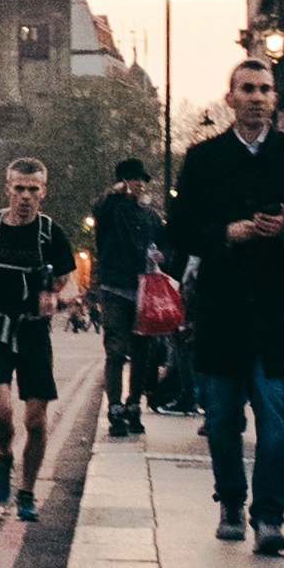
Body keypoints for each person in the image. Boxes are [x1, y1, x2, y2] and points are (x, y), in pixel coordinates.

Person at [163, 55, 284, 555]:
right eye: (248, 89)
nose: (258, 97)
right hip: (222, 310)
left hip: (278, 311)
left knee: (277, 424)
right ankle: (232, 503)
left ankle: (270, 517)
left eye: (265, 89)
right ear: (230, 98)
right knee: (220, 419)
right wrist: (227, 234)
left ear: (275, 99)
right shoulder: (203, 159)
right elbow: (179, 230)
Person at [0, 158, 73, 518]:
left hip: (32, 330)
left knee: (36, 421)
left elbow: (71, 282)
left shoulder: (50, 233)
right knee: (1, 413)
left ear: (44, 192)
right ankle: (5, 455)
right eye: (19, 188)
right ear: (7, 188)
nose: (26, 196)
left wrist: (55, 296)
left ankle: (26, 492)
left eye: (33, 189)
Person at [88, 152, 164, 441]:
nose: (139, 185)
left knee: (143, 352)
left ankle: (134, 404)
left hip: (144, 289)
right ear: (122, 182)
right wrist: (114, 192)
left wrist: (161, 255)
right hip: (115, 287)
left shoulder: (150, 216)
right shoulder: (111, 210)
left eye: (142, 180)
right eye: (133, 179)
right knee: (116, 349)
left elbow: (166, 246)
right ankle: (116, 409)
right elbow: (99, 210)